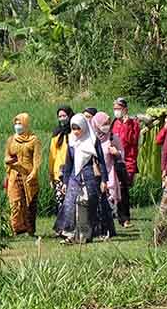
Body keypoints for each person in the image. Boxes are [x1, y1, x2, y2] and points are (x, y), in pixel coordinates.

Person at [55, 114, 109, 243]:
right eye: (73, 129)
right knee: (70, 204)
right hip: (74, 177)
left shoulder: (93, 141)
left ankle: (84, 235)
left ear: (84, 127)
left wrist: (104, 180)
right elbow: (68, 163)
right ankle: (70, 234)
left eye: (78, 128)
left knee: (86, 205)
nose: (76, 132)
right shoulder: (71, 141)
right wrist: (65, 182)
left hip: (90, 177)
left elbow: (101, 161)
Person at [4, 112, 42, 235]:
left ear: (26, 124)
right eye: (16, 123)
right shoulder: (11, 140)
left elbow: (37, 159)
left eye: (20, 123)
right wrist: (9, 161)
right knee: (15, 202)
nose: (18, 126)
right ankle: (16, 228)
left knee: (29, 202)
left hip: (28, 175)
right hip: (14, 175)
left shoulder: (34, 140)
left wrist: (34, 172)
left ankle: (29, 229)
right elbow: (7, 156)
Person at [111, 97, 140, 228]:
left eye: (119, 108)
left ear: (125, 110)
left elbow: (130, 140)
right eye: (115, 108)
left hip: (127, 160)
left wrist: (126, 125)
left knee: (124, 189)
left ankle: (125, 218)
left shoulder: (133, 124)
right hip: (114, 160)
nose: (116, 111)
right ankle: (115, 214)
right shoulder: (113, 123)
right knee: (114, 188)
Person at [91, 112, 121, 239]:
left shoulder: (113, 138)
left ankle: (107, 229)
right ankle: (97, 229)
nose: (106, 126)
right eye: (104, 124)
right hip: (95, 175)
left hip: (110, 174)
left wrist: (116, 153)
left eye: (108, 123)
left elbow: (122, 154)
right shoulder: (91, 139)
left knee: (107, 204)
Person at [48, 106, 74, 213]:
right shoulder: (56, 133)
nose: (62, 118)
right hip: (58, 173)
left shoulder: (75, 132)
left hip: (72, 171)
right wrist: (51, 175)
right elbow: (52, 155)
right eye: (60, 116)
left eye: (64, 115)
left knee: (72, 201)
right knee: (61, 201)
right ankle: (61, 222)